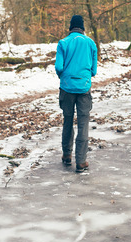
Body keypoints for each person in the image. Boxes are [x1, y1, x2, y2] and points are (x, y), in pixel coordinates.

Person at [55, 15, 98, 173]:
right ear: (83, 28)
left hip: (66, 87)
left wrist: (65, 76)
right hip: (84, 87)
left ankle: (67, 155)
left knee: (67, 120)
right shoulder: (91, 43)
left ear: (71, 27)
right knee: (83, 123)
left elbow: (59, 67)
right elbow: (93, 70)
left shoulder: (63, 43)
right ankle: (81, 161)